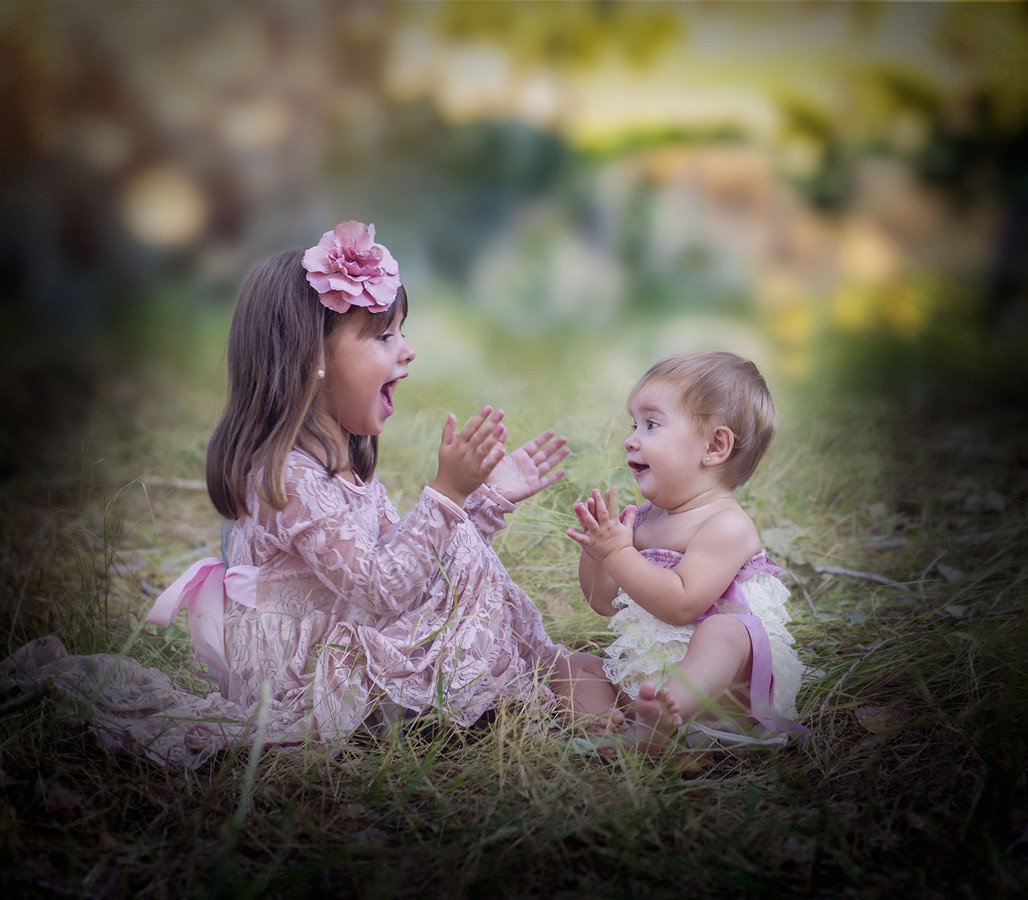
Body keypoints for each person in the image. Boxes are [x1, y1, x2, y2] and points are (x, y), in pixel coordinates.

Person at [2, 220, 608, 766]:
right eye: (382, 336)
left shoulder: (342, 467)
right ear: (311, 358)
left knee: (466, 564)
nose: (407, 350)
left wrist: (487, 497)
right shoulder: (287, 479)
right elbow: (384, 588)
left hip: (344, 643)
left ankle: (547, 678)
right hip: (303, 681)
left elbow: (413, 564)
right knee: (469, 570)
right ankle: (533, 682)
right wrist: (447, 495)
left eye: (401, 332)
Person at [567, 351, 806, 755]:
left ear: (714, 446)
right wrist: (599, 553)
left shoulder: (726, 525)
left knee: (726, 631)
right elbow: (603, 603)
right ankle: (614, 733)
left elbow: (681, 604)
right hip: (647, 678)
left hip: (727, 697)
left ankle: (669, 719)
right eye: (634, 424)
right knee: (575, 667)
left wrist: (619, 554)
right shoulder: (642, 520)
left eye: (652, 424)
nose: (630, 438)